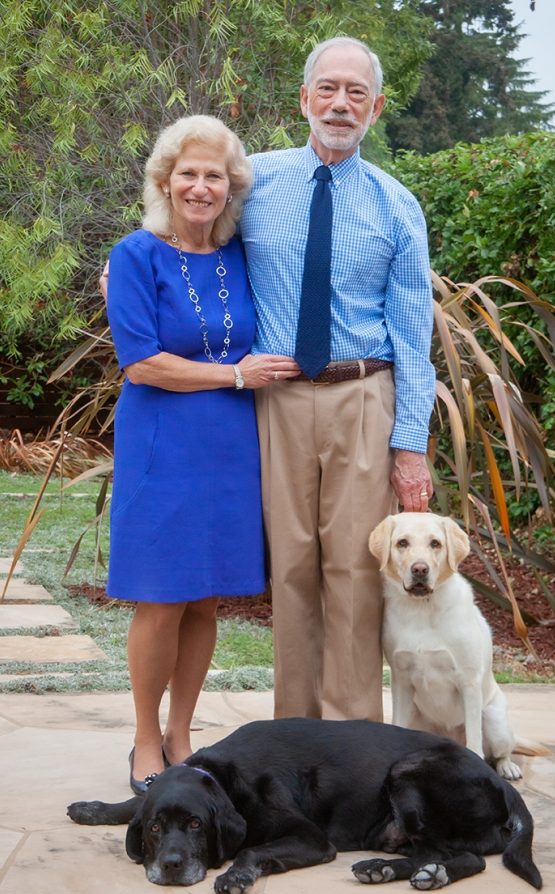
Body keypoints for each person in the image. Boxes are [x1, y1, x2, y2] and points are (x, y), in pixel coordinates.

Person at [240, 37, 435, 722]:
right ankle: (295, 738)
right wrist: (131, 260)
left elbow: (414, 333)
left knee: (355, 570)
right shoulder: (253, 180)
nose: (340, 103)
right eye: (328, 88)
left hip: (363, 397)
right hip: (279, 400)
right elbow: (187, 223)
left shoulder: (396, 205)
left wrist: (410, 444)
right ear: (304, 99)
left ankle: (353, 742)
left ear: (376, 109)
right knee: (290, 569)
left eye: (356, 92)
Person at [105, 115, 299, 793]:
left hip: (229, 447)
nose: (200, 186)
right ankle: (143, 738)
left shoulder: (240, 254)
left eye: (214, 174)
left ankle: (183, 732)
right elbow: (142, 364)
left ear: (230, 186)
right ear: (165, 180)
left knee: (207, 599)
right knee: (161, 597)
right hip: (162, 443)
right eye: (188, 172)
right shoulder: (135, 255)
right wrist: (237, 375)